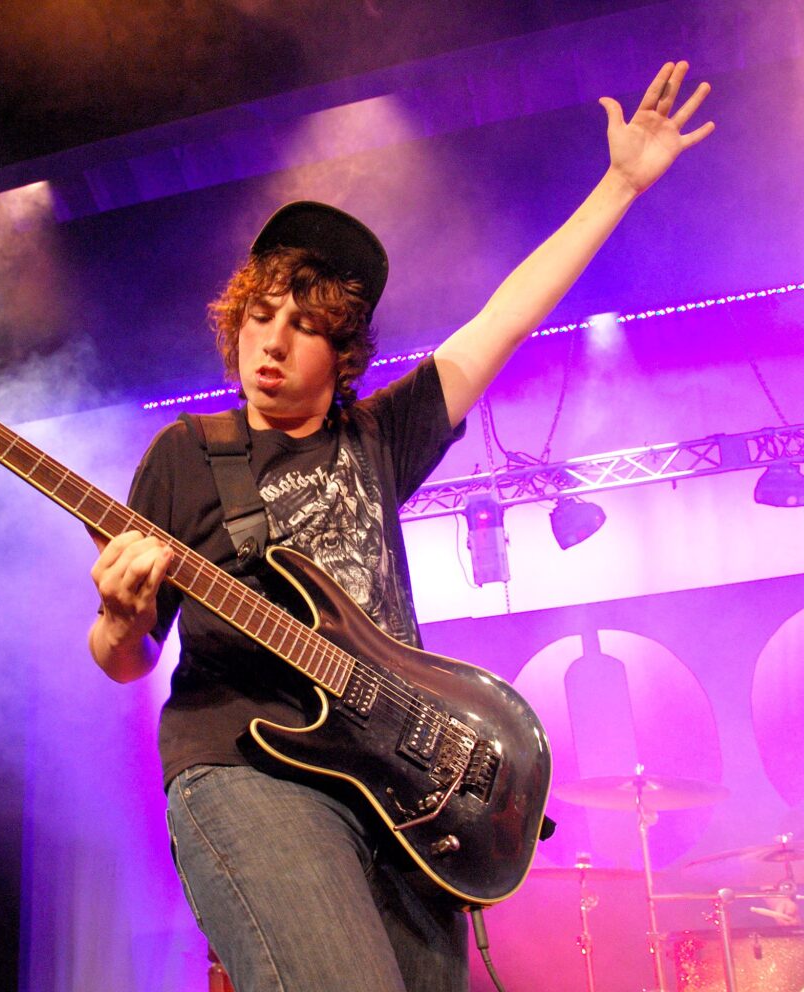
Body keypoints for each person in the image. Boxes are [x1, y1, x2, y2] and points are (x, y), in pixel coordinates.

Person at [88, 62, 714, 992]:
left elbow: (506, 315)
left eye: (302, 325)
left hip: (397, 791)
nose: (270, 341)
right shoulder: (184, 455)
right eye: (259, 317)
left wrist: (620, 182)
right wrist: (123, 619)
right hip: (248, 765)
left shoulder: (380, 434)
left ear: (343, 353)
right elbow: (125, 659)